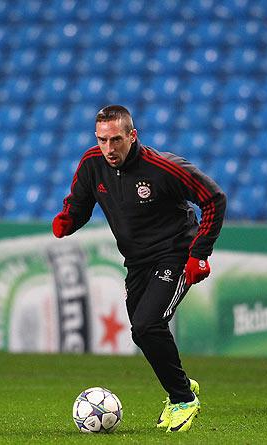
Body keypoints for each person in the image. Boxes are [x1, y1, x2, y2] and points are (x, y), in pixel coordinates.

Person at [52, 105, 226, 432]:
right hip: (136, 262)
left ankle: (183, 399)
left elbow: (214, 199)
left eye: (116, 139)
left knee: (147, 325)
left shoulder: (164, 168)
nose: (109, 148)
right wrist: (69, 219)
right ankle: (183, 384)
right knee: (141, 330)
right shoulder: (92, 164)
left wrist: (199, 254)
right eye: (102, 139)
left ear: (132, 136)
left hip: (175, 254)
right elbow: (80, 202)